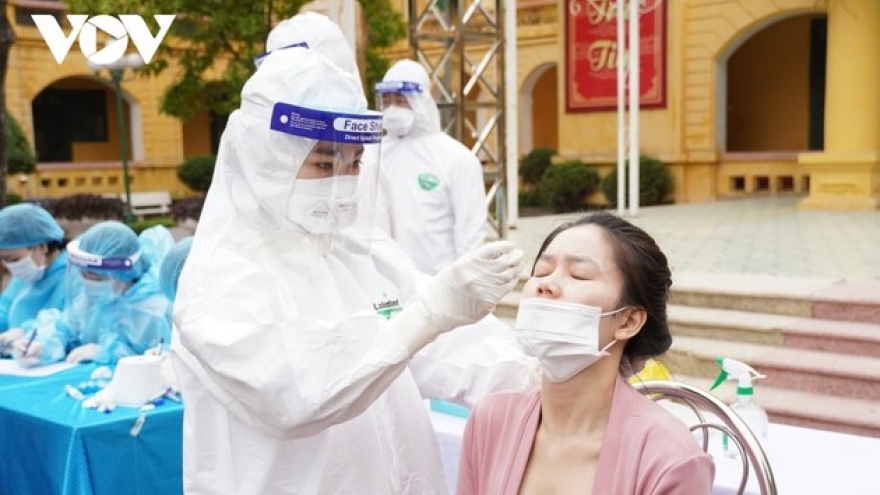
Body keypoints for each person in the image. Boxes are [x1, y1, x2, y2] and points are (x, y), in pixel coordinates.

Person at [171, 46, 527, 495]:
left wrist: (540, 373)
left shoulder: (357, 252)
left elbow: (448, 349)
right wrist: (428, 314)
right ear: (267, 159)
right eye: (324, 163)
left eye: (354, 163)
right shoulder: (222, 279)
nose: (342, 179)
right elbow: (297, 393)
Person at [456, 212, 715, 495]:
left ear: (628, 321)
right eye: (541, 272)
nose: (546, 284)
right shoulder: (490, 420)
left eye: (578, 275)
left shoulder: (670, 459)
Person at [373, 59, 487, 275]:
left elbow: (471, 236)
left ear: (421, 100)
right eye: (386, 100)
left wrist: (462, 286)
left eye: (401, 99)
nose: (392, 108)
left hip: (438, 283)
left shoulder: (457, 158)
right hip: (387, 282)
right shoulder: (374, 155)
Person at [13, 221, 174, 366]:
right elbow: (64, 327)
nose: (89, 283)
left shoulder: (156, 311)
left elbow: (168, 360)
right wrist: (41, 345)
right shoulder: (93, 300)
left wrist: (110, 353)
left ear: (125, 273)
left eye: (97, 278)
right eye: (84, 275)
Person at [0, 203, 68, 351]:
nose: (9, 266)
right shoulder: (26, 276)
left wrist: (26, 331)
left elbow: (71, 322)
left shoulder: (73, 276)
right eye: (3, 259)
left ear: (42, 246)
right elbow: (4, 309)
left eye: (14, 259)